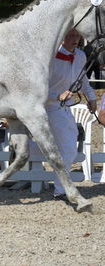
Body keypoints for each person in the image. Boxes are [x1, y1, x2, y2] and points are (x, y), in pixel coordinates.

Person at [30, 28, 97, 201]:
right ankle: (60, 189)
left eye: (77, 36)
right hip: (50, 108)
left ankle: (26, 153)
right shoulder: (50, 57)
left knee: (68, 145)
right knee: (68, 149)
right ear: (62, 38)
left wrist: (91, 97)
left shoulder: (81, 56)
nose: (74, 39)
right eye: (70, 36)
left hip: (66, 107)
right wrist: (57, 96)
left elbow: (82, 79)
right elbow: (39, 87)